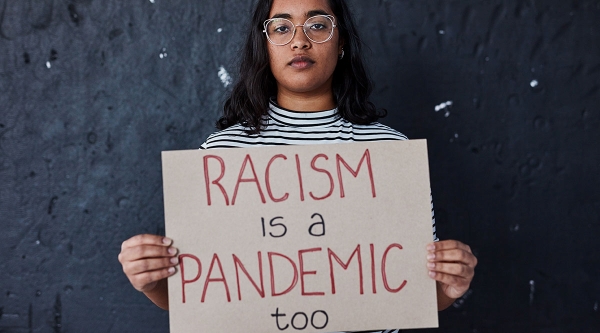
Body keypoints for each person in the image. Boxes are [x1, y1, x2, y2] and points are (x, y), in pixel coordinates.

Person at [118, 0, 478, 330]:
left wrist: (451, 284)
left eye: (318, 26)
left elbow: (418, 293)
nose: (300, 42)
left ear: (341, 43)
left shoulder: (390, 152)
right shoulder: (224, 153)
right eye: (281, 27)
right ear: (265, 45)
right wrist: (151, 281)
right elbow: (197, 294)